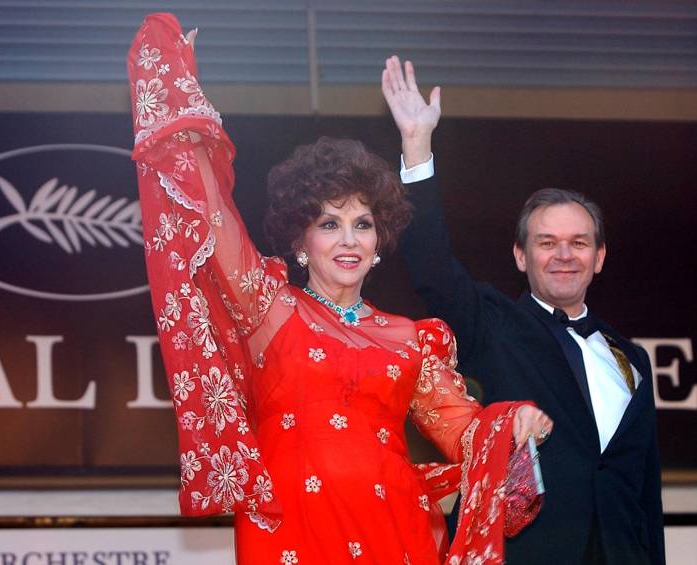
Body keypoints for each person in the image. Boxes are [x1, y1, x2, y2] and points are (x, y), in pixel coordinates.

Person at [127, 14, 552, 565]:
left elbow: (464, 432)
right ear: (301, 240)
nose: (348, 240)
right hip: (290, 530)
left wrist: (511, 421)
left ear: (380, 242)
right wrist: (180, 101)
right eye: (329, 224)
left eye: (363, 224)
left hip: (393, 528)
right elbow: (211, 218)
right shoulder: (268, 307)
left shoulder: (411, 339)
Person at [383, 55, 665, 565]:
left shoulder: (632, 359)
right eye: (547, 242)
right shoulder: (492, 323)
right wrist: (417, 146)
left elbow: (645, 489)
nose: (563, 254)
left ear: (599, 258)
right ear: (521, 255)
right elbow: (431, 267)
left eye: (579, 242)